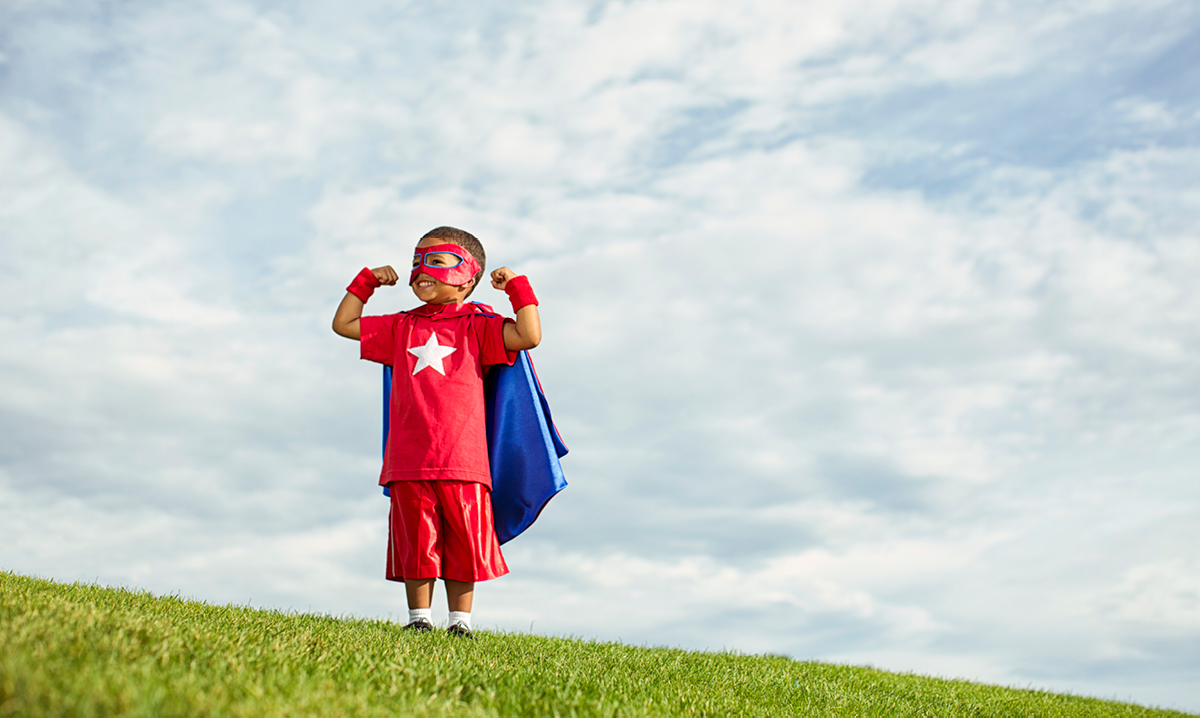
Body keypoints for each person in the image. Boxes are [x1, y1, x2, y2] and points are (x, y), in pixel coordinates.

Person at [331, 226, 542, 638]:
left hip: (464, 458)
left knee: (464, 540)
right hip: (409, 457)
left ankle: (459, 623)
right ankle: (419, 619)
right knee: (417, 540)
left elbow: (529, 335)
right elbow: (344, 324)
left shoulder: (478, 325)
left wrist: (517, 287)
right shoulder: (400, 326)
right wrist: (366, 281)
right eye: (415, 261)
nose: (419, 270)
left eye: (435, 260)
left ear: (468, 274)